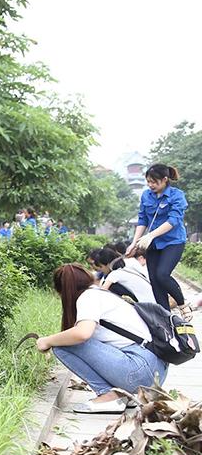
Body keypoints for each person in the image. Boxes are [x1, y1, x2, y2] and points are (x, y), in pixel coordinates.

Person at [34, 263, 168, 413]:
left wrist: (47, 340)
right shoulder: (102, 294)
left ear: (64, 291)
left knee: (62, 346)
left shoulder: (88, 297)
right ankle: (122, 395)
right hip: (154, 371)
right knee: (72, 340)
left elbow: (82, 333)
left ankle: (107, 395)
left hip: (139, 371)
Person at [125, 164, 192, 319]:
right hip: (153, 244)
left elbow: (173, 220)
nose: (150, 185)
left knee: (162, 274)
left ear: (165, 179)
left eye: (154, 182)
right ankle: (165, 316)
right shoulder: (146, 196)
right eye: (148, 181)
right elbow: (142, 220)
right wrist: (134, 243)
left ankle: (182, 304)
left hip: (173, 241)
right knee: (154, 280)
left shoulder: (177, 195)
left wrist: (151, 235)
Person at [89, 247, 154, 303]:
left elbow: (102, 291)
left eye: (101, 267)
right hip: (149, 301)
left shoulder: (115, 274)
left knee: (112, 288)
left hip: (145, 305)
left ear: (108, 264)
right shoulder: (124, 269)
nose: (101, 270)